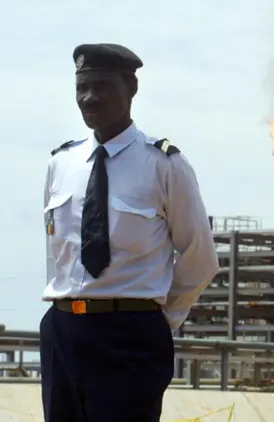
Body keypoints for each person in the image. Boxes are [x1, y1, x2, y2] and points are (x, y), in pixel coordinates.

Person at [40, 43, 220, 422]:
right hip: (62, 332)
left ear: (131, 89)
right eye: (82, 88)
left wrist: (155, 318)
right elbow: (57, 255)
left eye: (101, 86)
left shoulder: (164, 164)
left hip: (129, 338)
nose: (89, 97)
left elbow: (199, 258)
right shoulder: (61, 163)